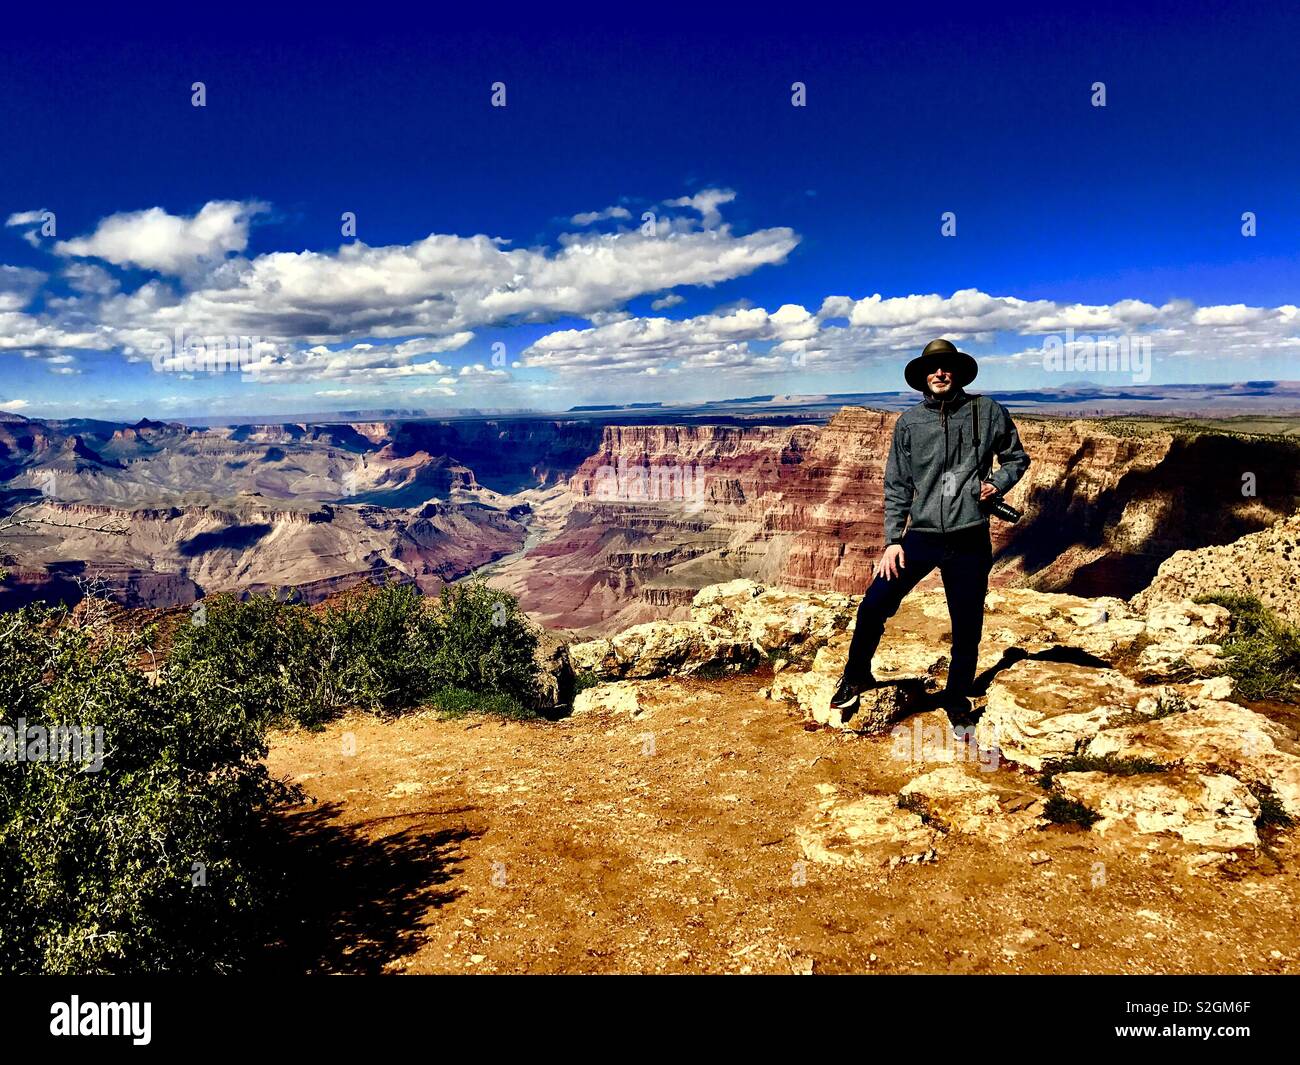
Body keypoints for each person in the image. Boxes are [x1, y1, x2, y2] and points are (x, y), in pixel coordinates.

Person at [829, 338, 1031, 722]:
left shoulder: (987, 412)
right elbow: (897, 485)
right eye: (932, 368)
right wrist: (892, 541)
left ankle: (956, 698)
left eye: (946, 366)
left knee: (967, 622)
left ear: (957, 373)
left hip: (970, 536)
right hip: (920, 537)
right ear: (923, 377)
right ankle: (855, 676)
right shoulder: (909, 424)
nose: (939, 373)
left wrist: (998, 483)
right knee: (874, 604)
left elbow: (1017, 458)